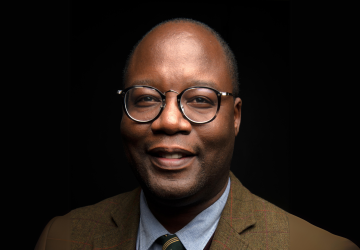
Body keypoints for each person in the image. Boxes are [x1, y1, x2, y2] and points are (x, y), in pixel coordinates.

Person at [35, 18, 359, 250]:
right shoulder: (60, 239)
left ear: (235, 117)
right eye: (147, 98)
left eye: (200, 100)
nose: (170, 121)